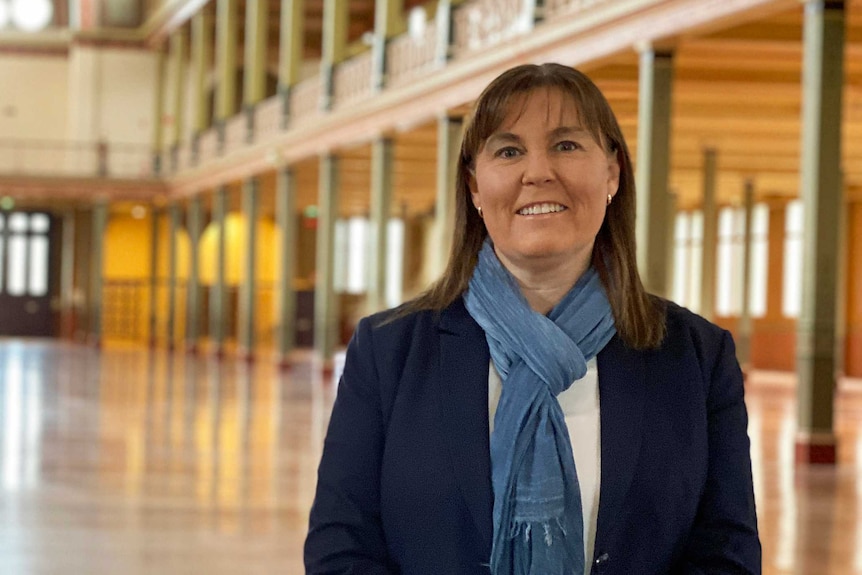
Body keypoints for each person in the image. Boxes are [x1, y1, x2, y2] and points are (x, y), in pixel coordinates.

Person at [304, 63, 761, 575]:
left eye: (566, 145)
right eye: (508, 150)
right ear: (475, 187)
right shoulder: (387, 351)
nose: (538, 171)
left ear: (612, 171)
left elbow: (726, 555)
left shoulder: (697, 357)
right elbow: (340, 550)